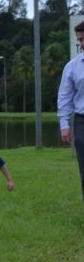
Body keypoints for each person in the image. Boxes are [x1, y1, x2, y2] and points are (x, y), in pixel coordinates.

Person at [57, 21, 84, 198]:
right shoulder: (72, 67)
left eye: (83, 39)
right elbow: (65, 97)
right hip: (82, 121)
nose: (81, 44)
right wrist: (64, 124)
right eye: (79, 40)